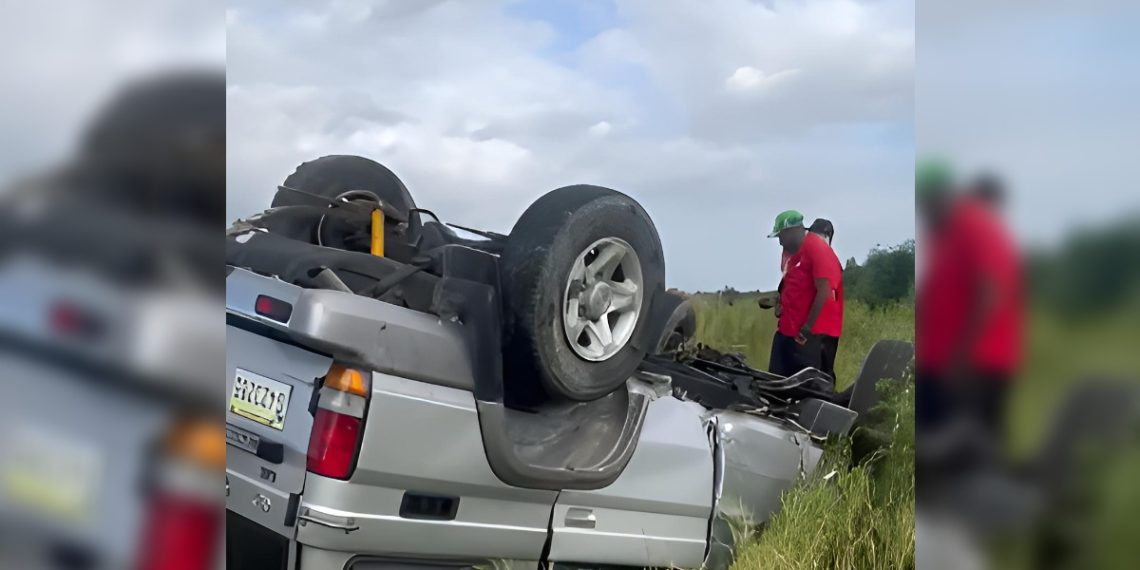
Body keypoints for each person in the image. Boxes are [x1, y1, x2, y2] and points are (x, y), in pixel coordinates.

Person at [915, 158, 1024, 451]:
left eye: (926, 200)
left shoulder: (974, 224)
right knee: (933, 445)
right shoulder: (942, 232)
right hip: (941, 363)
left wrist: (962, 357)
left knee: (972, 450)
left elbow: (990, 293)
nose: (923, 209)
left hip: (974, 364)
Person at [766, 210, 844, 378]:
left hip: (811, 336)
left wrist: (807, 328)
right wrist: (781, 303)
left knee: (808, 388)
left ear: (793, 231)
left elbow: (825, 289)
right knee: (776, 382)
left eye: (781, 236)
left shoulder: (816, 248)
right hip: (788, 332)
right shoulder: (793, 253)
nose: (779, 242)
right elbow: (793, 284)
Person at [807, 218, 843, 380]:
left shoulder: (826, 257)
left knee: (819, 375)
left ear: (827, 236)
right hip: (822, 327)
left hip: (822, 327)